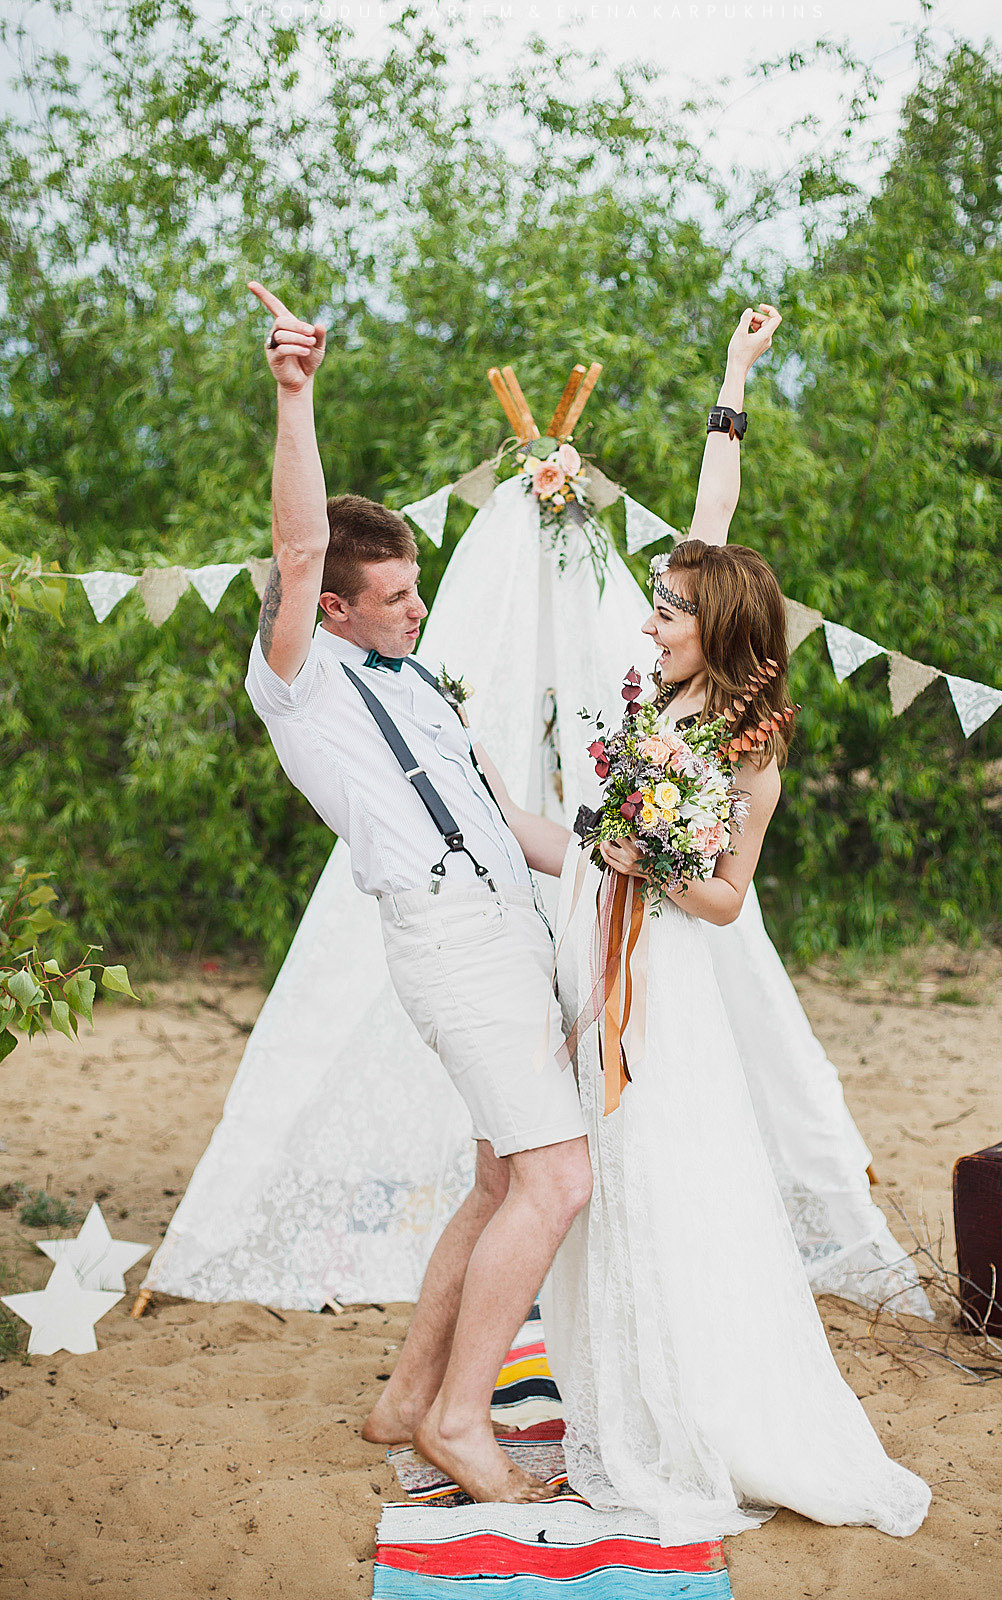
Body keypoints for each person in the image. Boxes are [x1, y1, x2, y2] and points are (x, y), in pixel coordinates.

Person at [502, 307, 933, 1540]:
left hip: (671, 989)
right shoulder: (660, 697)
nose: (650, 617)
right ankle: (617, 1382)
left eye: (669, 611)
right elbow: (710, 522)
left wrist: (647, 855)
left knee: (662, 1180)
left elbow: (726, 895)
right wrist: (732, 380)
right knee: (603, 1178)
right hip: (603, 962)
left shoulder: (745, 751)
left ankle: (697, 1405)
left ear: (717, 632)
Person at [242, 281, 594, 1505]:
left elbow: (510, 821)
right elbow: (294, 543)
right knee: (559, 1182)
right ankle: (456, 1418)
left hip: (510, 928)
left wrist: (631, 857)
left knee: (504, 1178)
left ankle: (404, 1394)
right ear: (329, 609)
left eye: (414, 589)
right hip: (447, 943)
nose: (415, 608)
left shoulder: (416, 682)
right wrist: (297, 397)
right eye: (392, 597)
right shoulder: (304, 681)